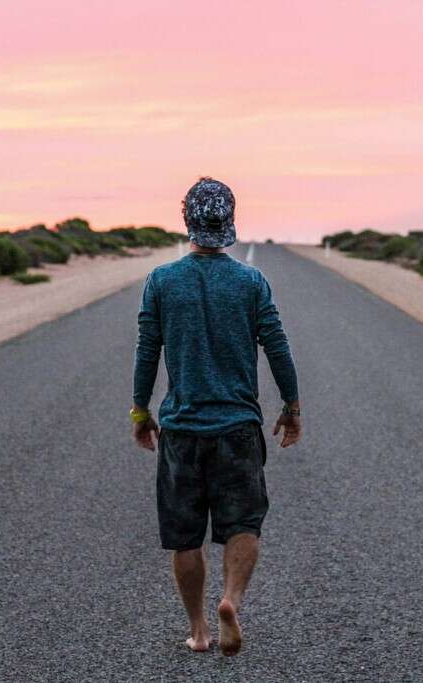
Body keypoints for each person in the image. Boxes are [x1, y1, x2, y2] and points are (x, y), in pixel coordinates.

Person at [131, 177, 301, 657]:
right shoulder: (250, 281)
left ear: (187, 219)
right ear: (229, 221)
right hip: (237, 428)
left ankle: (200, 630)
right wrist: (291, 406)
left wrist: (141, 409)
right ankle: (232, 600)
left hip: (182, 428)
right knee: (243, 523)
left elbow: (148, 349)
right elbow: (277, 346)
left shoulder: (162, 281)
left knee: (185, 535)